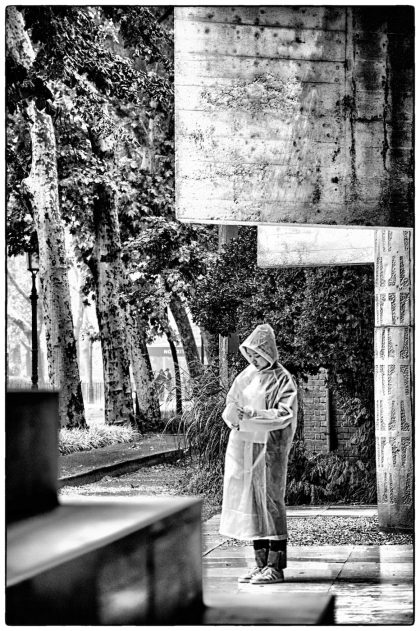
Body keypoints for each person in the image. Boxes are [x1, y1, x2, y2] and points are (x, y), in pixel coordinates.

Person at [219, 323, 297, 584]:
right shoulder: (245, 376)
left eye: (258, 354)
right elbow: (233, 402)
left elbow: (284, 414)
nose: (253, 359)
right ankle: (260, 564)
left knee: (271, 502)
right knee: (251, 503)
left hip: (270, 449)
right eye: (250, 354)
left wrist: (253, 414)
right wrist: (232, 413)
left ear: (269, 352)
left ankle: (275, 567)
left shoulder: (283, 379)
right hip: (244, 447)